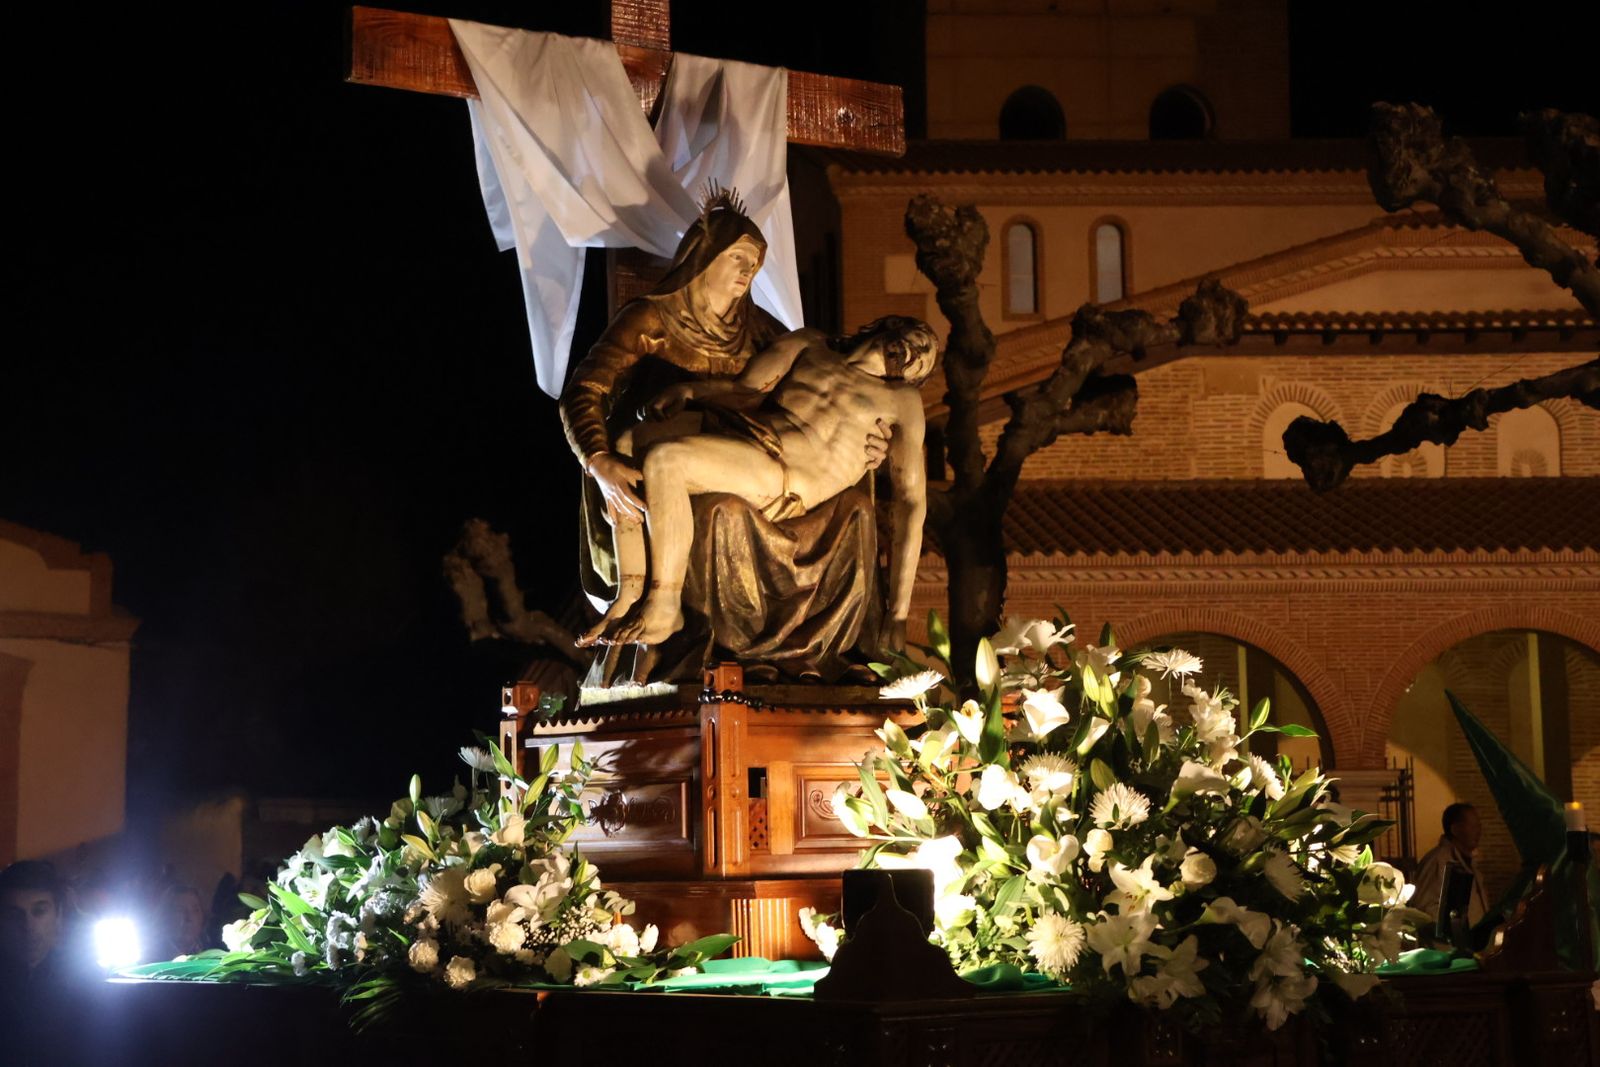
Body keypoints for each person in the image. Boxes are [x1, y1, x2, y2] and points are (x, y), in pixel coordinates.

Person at [561, 189, 890, 680]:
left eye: (754, 264)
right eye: (738, 257)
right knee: (723, 511)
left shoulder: (762, 332)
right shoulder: (650, 319)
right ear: (704, 255)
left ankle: (819, 653)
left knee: (857, 505)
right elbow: (583, 391)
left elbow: (825, 386)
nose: (746, 272)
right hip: (667, 463)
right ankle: (718, 646)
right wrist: (598, 459)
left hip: (757, 458)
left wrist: (873, 441)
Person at [598, 317, 938, 650]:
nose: (919, 350)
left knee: (665, 460)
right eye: (920, 337)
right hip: (756, 450)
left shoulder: (902, 400)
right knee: (630, 442)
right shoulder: (810, 345)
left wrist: (899, 613)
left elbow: (911, 501)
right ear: (889, 324)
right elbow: (745, 389)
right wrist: (690, 390)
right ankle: (630, 591)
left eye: (926, 358)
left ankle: (665, 605)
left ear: (916, 376)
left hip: (792, 481)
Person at [1411, 802, 1491, 933]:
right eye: (1473, 826)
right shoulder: (1439, 861)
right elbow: (1424, 910)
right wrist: (1457, 932)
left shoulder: (1469, 863)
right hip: (1448, 949)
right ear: (1455, 830)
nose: (1478, 831)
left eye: (1479, 826)